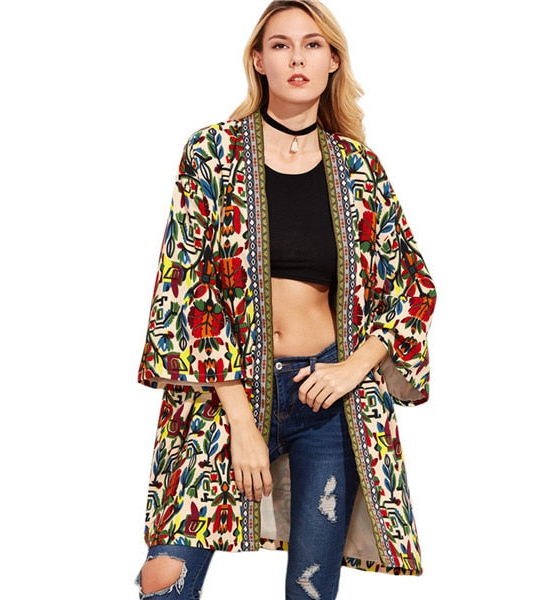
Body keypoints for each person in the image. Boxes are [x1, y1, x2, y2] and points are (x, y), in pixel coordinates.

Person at [134, 1, 436, 598]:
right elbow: (186, 286)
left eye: (312, 44)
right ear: (259, 60)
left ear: (332, 62)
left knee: (311, 587)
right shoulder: (213, 154)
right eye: (280, 45)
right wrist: (242, 423)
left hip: (327, 398)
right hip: (222, 396)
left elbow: (412, 283)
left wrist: (354, 367)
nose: (297, 57)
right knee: (164, 577)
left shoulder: (359, 168)